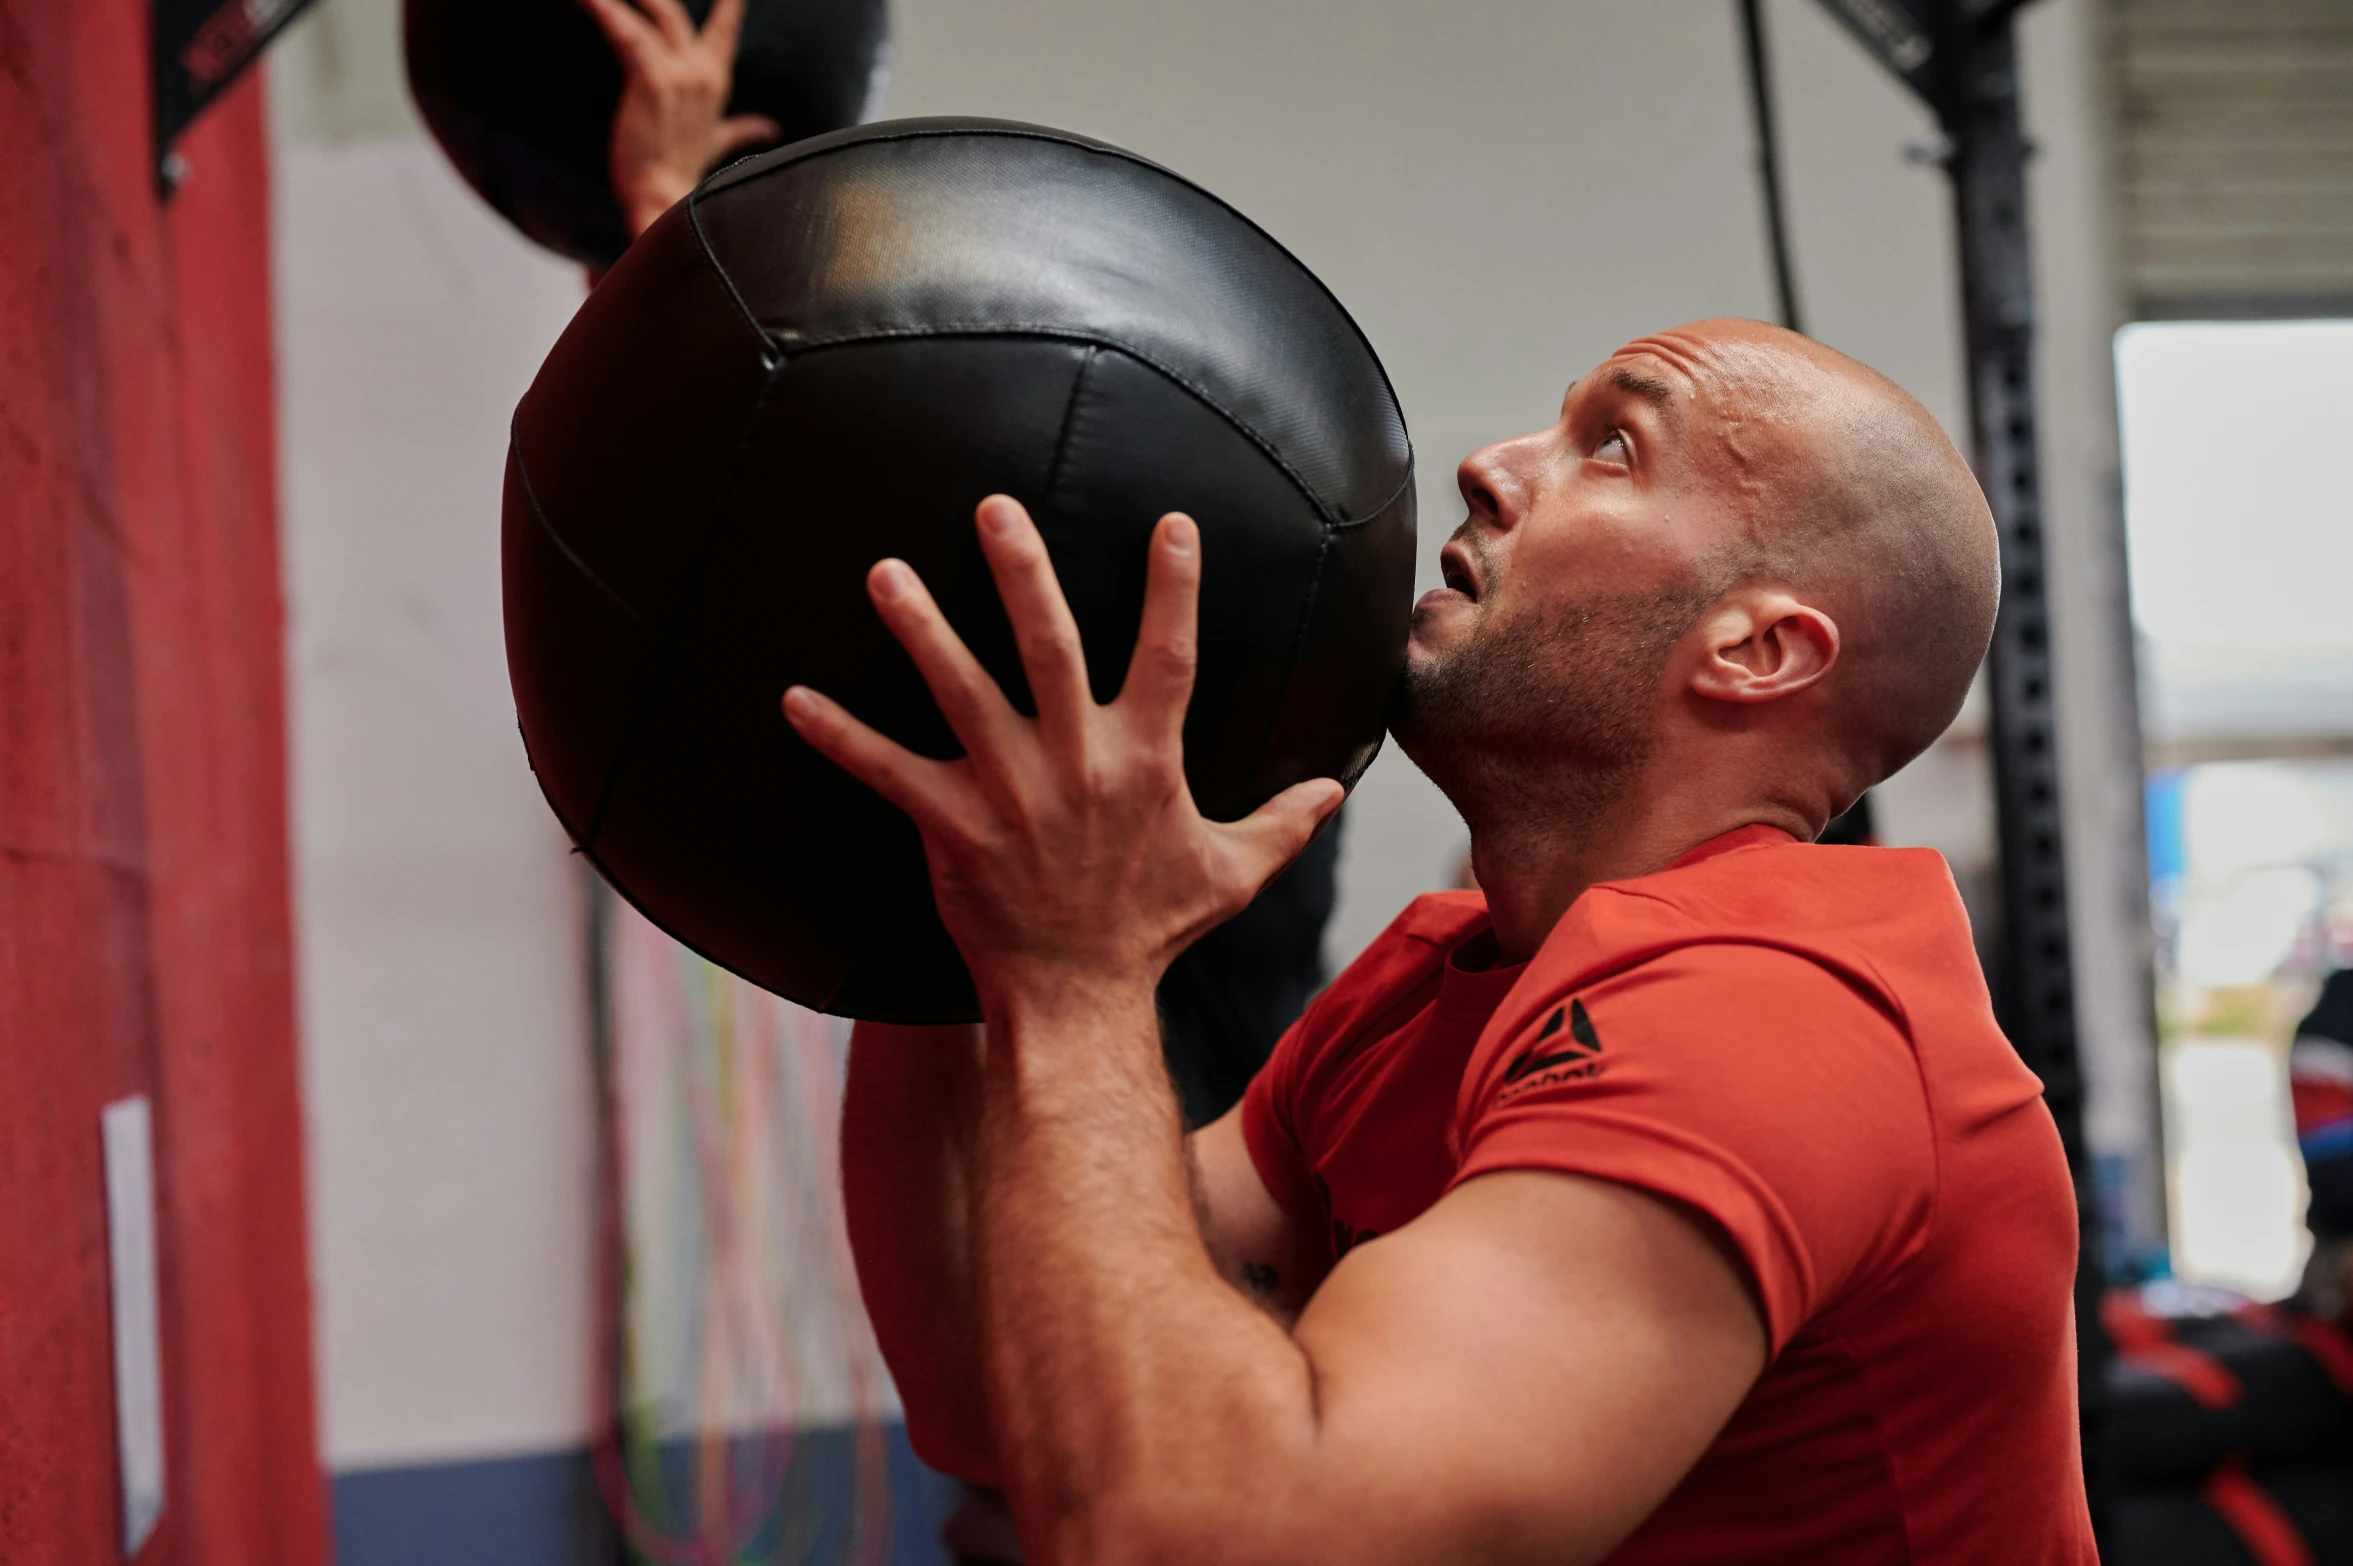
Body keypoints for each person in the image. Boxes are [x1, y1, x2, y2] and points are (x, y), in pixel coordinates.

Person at [788, 318, 2096, 1563]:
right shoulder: (1433, 982)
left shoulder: (1779, 1019)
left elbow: (1205, 1537)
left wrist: (1073, 972)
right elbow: (994, 1381)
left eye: (1614, 446)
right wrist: (948, 914)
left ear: (1755, 649)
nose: (1495, 462)